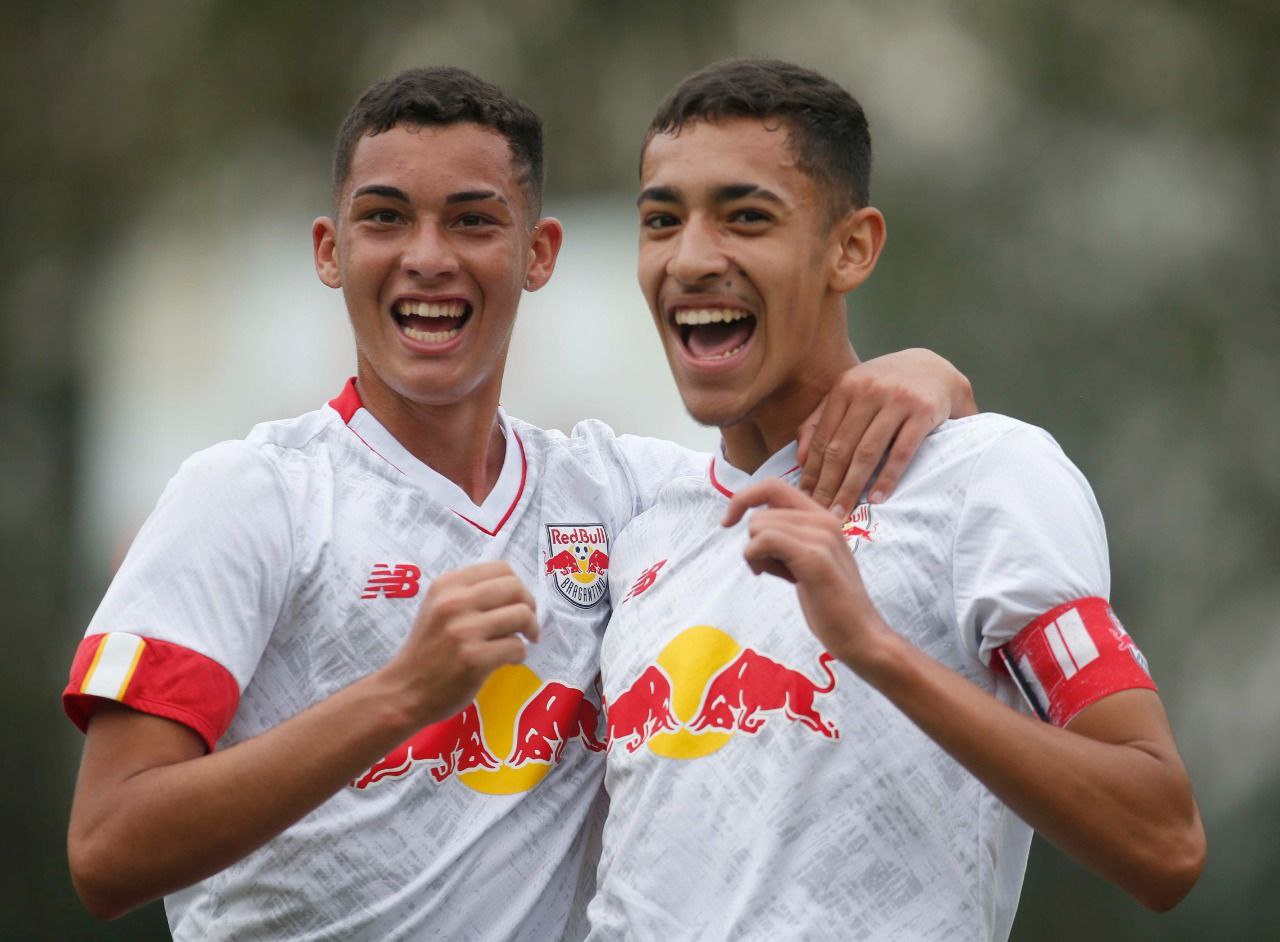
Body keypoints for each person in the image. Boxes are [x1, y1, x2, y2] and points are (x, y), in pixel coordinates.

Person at [62, 67, 974, 939]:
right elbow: (106, 850)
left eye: (472, 222)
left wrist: (931, 376)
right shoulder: (249, 496)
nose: (427, 258)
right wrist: (398, 696)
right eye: (385, 219)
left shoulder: (622, 497)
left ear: (538, 254)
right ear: (329, 252)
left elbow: (793, 455)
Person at [588, 58, 1206, 941]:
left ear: (852, 247)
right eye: (661, 221)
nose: (690, 258)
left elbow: (1164, 839)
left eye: (747, 218)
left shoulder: (986, 476)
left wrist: (872, 648)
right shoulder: (641, 526)